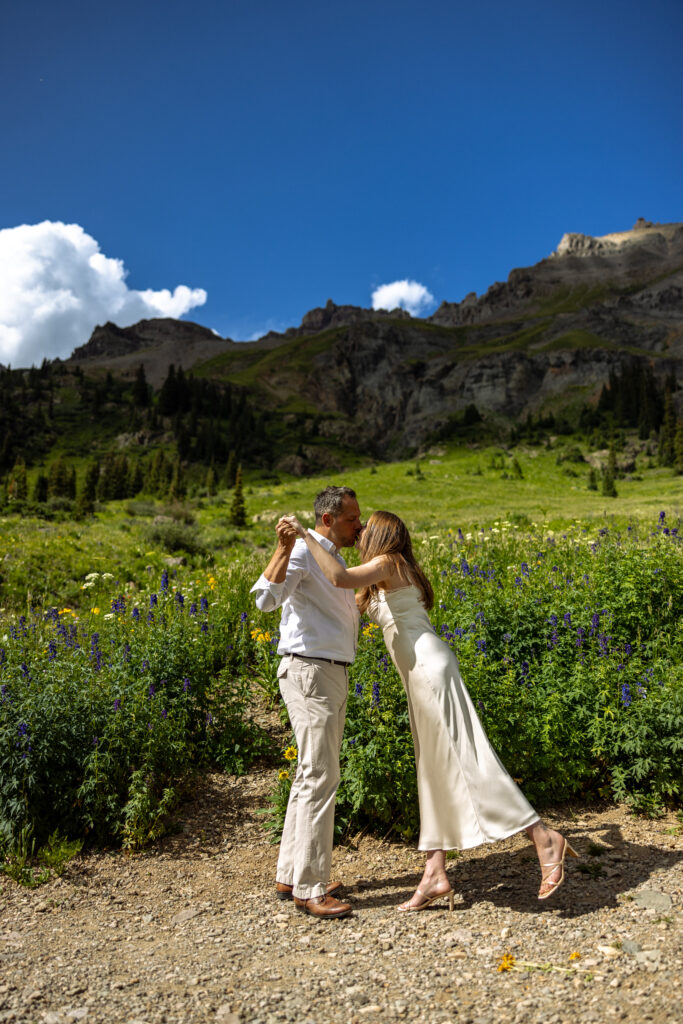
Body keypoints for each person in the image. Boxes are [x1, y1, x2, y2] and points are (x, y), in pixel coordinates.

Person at [283, 510, 579, 910]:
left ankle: (545, 839)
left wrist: (305, 534)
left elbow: (338, 578)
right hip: (419, 675)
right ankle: (435, 873)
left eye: (366, 525)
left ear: (383, 535)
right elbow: (336, 598)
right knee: (433, 769)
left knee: (469, 760)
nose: (360, 530)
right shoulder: (383, 575)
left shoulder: (389, 563)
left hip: (430, 669)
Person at [250, 486, 363, 919]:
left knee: (308, 774)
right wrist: (282, 548)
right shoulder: (302, 553)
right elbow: (264, 600)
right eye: (353, 518)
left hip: (327, 672)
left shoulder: (331, 557)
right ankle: (311, 888)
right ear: (328, 519)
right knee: (320, 776)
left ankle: (290, 873)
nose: (360, 524)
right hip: (310, 672)